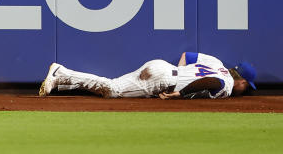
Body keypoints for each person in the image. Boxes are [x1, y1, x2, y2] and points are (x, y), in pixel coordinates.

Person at [39, 52, 257, 99]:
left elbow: (187, 56)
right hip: (164, 80)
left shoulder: (215, 61)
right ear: (242, 81)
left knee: (112, 86)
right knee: (112, 90)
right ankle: (61, 73)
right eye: (247, 87)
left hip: (161, 67)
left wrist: (175, 74)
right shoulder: (226, 82)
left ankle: (61, 81)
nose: (245, 91)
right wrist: (178, 91)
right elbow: (212, 81)